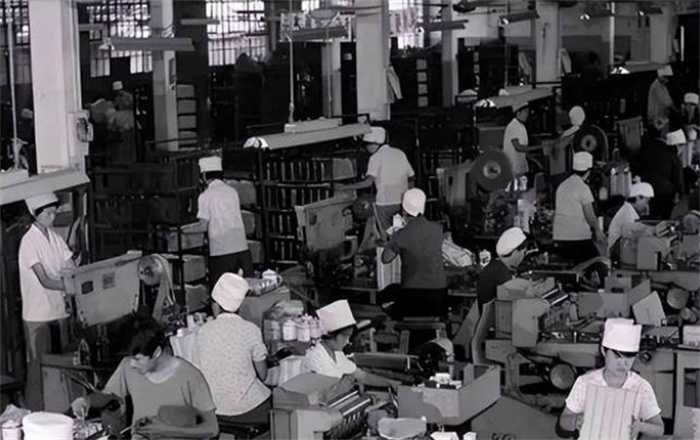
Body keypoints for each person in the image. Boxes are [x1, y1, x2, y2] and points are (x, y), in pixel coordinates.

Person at [71, 319, 218, 439]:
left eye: (138, 359)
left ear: (156, 352)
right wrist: (87, 401)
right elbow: (109, 396)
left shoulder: (190, 376)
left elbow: (212, 428)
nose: (132, 364)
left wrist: (165, 430)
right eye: (130, 358)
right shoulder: (128, 365)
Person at [559, 319, 664, 439]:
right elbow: (563, 421)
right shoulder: (585, 382)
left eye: (629, 357)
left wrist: (640, 426)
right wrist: (575, 421)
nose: (623, 363)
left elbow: (659, 429)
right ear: (603, 350)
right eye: (617, 356)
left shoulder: (641, 386)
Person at [19, 193, 77, 410]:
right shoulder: (28, 242)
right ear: (36, 214)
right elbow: (44, 280)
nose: (53, 217)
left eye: (54, 212)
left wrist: (75, 275)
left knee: (62, 364)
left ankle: (60, 409)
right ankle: (35, 412)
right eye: (49, 213)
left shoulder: (55, 238)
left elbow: (69, 264)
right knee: (38, 366)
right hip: (38, 314)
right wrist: (70, 286)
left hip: (59, 311)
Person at [196, 273, 271, 424]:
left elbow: (198, 373)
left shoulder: (203, 331)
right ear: (239, 306)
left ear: (216, 305)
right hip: (250, 410)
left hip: (215, 410)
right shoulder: (251, 330)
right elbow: (263, 375)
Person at [381, 188, 447, 318]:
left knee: (385, 295)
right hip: (439, 294)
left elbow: (385, 258)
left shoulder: (401, 234)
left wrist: (392, 238)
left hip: (413, 295)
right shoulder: (437, 229)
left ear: (404, 210)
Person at [303, 300, 399, 389]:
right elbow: (326, 390)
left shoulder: (337, 353)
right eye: (346, 337)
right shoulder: (315, 357)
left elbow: (361, 376)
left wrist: (391, 383)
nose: (348, 341)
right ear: (333, 335)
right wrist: (349, 381)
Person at [337, 126, 415, 231]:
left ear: (374, 143)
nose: (367, 148)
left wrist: (344, 187)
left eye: (367, 145)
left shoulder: (375, 157)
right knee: (399, 232)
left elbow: (368, 182)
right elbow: (411, 176)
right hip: (401, 204)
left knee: (387, 233)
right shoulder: (400, 153)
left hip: (385, 204)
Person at [194, 155, 252, 293]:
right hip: (242, 249)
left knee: (220, 294)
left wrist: (181, 230)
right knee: (243, 291)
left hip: (221, 252)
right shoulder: (232, 192)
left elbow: (203, 226)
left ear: (204, 176)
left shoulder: (205, 196)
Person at [553, 152, 605, 263]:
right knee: (597, 263)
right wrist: (597, 230)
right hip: (578, 238)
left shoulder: (562, 186)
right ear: (588, 172)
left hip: (559, 237)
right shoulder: (583, 188)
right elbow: (589, 215)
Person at [476, 227, 527, 313]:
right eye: (523, 253)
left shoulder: (496, 265)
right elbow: (513, 302)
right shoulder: (501, 272)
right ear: (515, 252)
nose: (523, 257)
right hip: (496, 318)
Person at [608, 182, 654, 253]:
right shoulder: (628, 213)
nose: (646, 206)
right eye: (646, 202)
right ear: (638, 198)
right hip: (616, 250)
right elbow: (630, 235)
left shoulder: (629, 209)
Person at [502, 102, 540, 180]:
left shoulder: (521, 126)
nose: (527, 115)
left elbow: (524, 150)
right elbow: (518, 147)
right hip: (513, 168)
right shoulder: (513, 126)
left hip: (520, 168)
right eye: (525, 112)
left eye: (528, 112)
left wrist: (534, 160)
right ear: (518, 113)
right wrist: (539, 147)